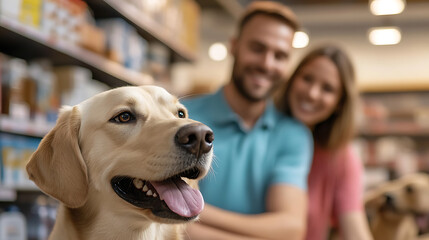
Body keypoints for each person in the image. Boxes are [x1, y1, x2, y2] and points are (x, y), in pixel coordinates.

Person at [182, 1, 313, 240]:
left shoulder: (293, 135)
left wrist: (192, 211)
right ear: (234, 46)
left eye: (280, 55)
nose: (267, 64)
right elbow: (161, 220)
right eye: (257, 48)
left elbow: (291, 228)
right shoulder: (182, 117)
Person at [275, 45, 373, 240]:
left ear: (339, 103)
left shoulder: (342, 158)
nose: (312, 93)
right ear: (292, 79)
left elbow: (354, 229)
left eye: (327, 89)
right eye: (307, 79)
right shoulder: (262, 133)